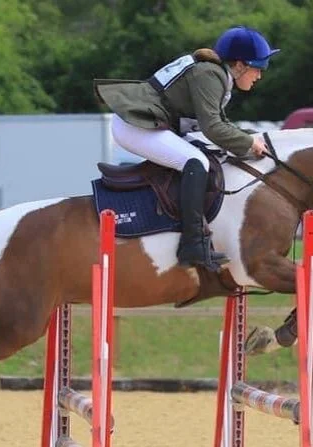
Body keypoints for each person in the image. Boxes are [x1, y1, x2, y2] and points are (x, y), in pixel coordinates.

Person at [94, 26, 280, 271]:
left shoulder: (215, 74)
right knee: (196, 162)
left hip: (150, 123)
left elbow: (216, 123)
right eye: (259, 67)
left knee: (204, 156)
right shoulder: (209, 75)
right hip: (136, 125)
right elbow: (213, 127)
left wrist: (250, 138)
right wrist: (247, 144)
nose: (260, 75)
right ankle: (192, 244)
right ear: (240, 64)